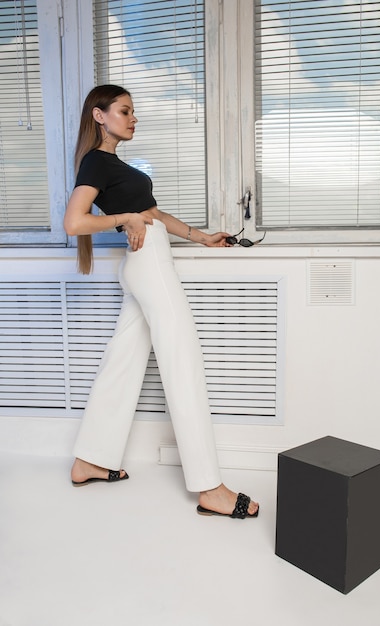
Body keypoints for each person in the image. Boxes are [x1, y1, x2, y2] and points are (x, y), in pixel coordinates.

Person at [64, 84, 259, 519]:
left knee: (123, 362)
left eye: (134, 112)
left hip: (143, 265)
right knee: (183, 362)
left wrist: (202, 237)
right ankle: (209, 486)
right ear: (99, 116)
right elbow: (74, 222)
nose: (133, 118)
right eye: (124, 111)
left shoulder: (115, 165)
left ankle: (90, 460)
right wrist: (124, 218)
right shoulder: (96, 161)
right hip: (148, 266)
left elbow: (153, 214)